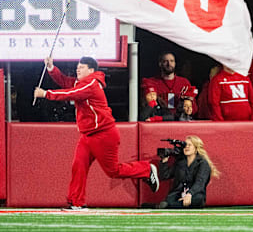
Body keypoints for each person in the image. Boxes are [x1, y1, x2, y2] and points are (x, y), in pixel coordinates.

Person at [33, 56, 159, 211]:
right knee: (78, 166)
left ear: (91, 70)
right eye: (78, 66)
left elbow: (70, 94)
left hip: (103, 134)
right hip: (88, 135)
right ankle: (77, 202)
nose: (78, 69)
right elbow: (65, 82)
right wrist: (52, 68)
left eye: (82, 67)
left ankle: (146, 169)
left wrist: (46, 94)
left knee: (113, 171)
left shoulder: (91, 84)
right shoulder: (84, 83)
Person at [158, 135, 220, 208]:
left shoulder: (202, 163)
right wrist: (164, 161)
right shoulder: (180, 162)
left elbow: (200, 182)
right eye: (185, 145)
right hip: (179, 193)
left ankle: (170, 206)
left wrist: (190, 194)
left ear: (196, 148)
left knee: (197, 199)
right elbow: (165, 176)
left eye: (189, 145)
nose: (186, 147)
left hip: (194, 194)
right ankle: (172, 205)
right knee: (170, 199)